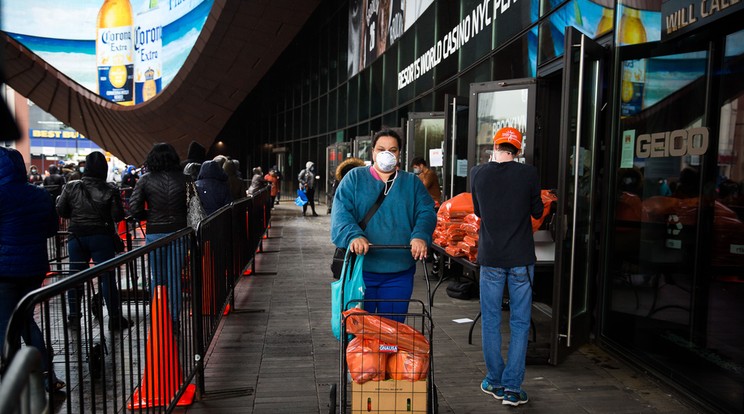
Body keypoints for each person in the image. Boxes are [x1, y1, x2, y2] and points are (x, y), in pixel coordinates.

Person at [469, 127, 543, 407]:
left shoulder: (478, 173)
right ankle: (512, 388)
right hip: (521, 259)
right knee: (520, 322)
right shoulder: (528, 174)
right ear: (518, 150)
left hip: (491, 258)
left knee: (490, 320)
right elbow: (537, 212)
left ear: (495, 146)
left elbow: (478, 211)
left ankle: (494, 380)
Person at [331, 129, 436, 322]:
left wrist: (420, 235)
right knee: (361, 334)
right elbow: (341, 213)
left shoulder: (412, 183)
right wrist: (353, 235)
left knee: (392, 332)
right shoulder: (354, 179)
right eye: (381, 149)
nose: (386, 154)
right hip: (361, 271)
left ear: (399, 154)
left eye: (392, 150)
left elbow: (426, 211)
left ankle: (388, 353)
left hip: (399, 272)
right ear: (372, 152)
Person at [0, 146, 64, 392]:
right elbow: (51, 230)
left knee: (6, 327)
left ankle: (11, 379)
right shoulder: (39, 194)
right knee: (25, 321)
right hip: (35, 267)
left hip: (4, 271)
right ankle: (46, 375)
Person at [56, 151, 131, 331]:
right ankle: (114, 318)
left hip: (77, 237)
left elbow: (62, 211)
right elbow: (117, 215)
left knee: (75, 279)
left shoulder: (71, 186)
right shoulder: (110, 188)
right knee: (107, 278)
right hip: (101, 237)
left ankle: (74, 318)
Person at [129, 143, 188, 327]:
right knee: (174, 276)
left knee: (158, 277)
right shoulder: (185, 179)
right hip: (179, 231)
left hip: (155, 233)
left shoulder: (145, 180)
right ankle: (175, 318)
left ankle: (159, 316)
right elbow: (193, 205)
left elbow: (134, 207)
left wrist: (150, 215)